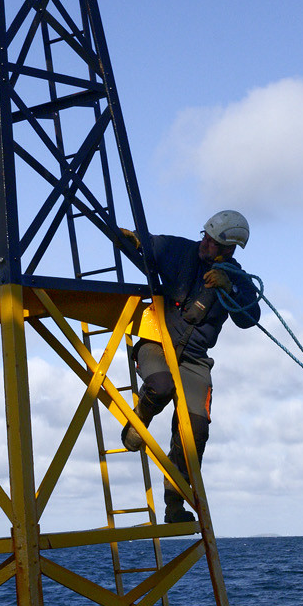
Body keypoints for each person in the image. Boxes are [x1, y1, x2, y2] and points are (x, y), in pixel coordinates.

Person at [119, 210, 259, 523]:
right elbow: (150, 244)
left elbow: (250, 318)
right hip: (156, 343)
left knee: (194, 432)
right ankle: (139, 420)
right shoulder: (180, 251)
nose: (205, 244)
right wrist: (133, 239)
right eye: (205, 237)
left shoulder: (237, 278)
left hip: (194, 360)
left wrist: (230, 288)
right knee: (161, 387)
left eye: (212, 242)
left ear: (229, 249)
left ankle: (174, 505)